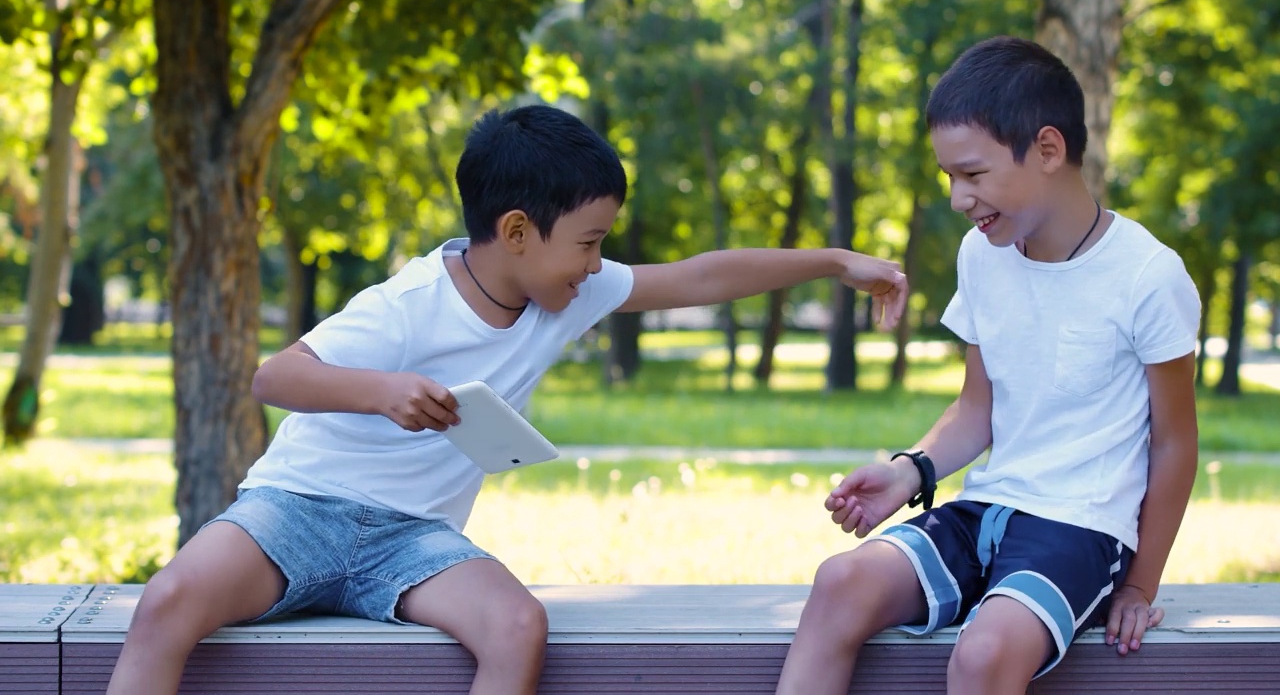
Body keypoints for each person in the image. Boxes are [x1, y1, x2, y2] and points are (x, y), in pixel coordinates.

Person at [106, 103, 909, 695]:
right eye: (589, 242)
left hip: (413, 542)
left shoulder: (571, 291)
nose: (598, 265)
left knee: (519, 625)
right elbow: (274, 377)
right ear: (518, 231)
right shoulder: (408, 302)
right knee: (171, 599)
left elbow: (701, 276)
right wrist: (382, 391)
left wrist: (836, 263)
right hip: (297, 511)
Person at [775, 35, 1201, 695]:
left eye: (972, 175)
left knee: (983, 655)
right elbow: (978, 410)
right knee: (840, 582)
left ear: (1049, 150)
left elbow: (1175, 444)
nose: (957, 197)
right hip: (987, 510)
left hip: (1081, 529)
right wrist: (907, 471)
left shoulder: (1148, 275)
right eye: (949, 177)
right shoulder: (983, 256)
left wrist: (1141, 584)